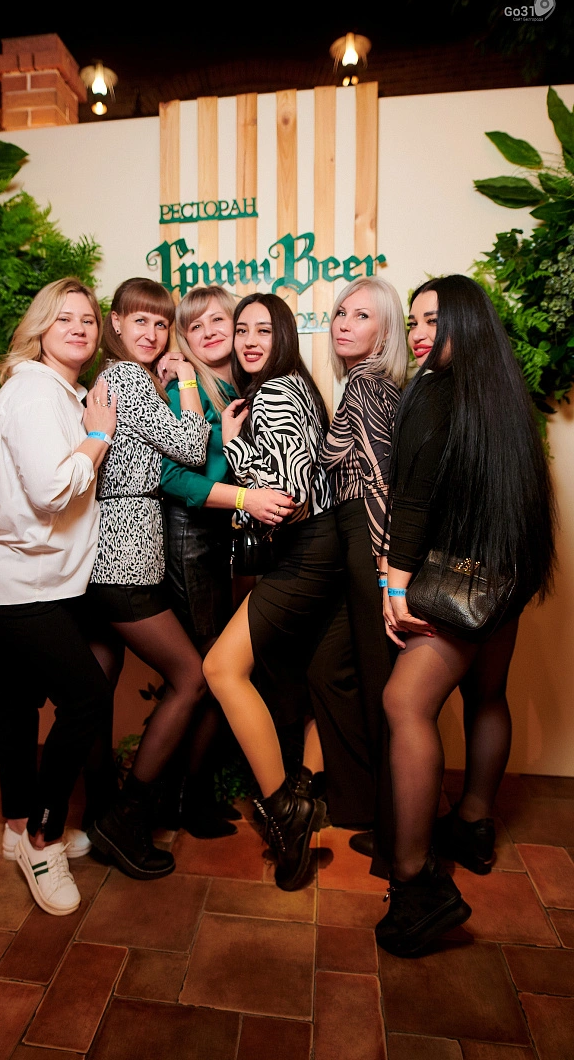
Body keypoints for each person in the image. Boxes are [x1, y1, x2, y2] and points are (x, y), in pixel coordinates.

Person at [375, 274, 556, 956]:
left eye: (434, 320)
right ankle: (475, 825)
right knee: (488, 694)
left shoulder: (433, 391)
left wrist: (395, 586)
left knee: (404, 703)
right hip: (503, 579)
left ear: (466, 324)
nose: (420, 334)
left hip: (455, 583)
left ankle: (415, 883)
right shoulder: (502, 395)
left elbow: (413, 501)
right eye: (415, 321)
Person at [0, 277, 116, 916]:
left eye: (87, 319)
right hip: (17, 579)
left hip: (31, 576)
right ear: (40, 329)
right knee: (87, 697)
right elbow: (52, 491)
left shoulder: (60, 392)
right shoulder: (33, 391)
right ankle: (43, 840)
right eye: (63, 318)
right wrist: (99, 435)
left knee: (19, 701)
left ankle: (17, 825)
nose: (78, 327)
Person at [203, 292, 339, 891]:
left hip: (303, 555)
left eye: (264, 330)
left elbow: (284, 496)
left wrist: (233, 444)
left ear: (283, 336)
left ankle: (284, 810)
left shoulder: (278, 392)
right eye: (243, 330)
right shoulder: (296, 387)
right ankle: (301, 804)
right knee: (300, 679)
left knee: (220, 669)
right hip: (318, 552)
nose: (250, 341)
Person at [86, 277, 213, 880]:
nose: (153, 333)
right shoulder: (131, 379)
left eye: (162, 324)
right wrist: (185, 380)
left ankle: (99, 811)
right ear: (115, 323)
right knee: (190, 678)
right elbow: (190, 447)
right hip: (125, 556)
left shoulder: (110, 378)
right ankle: (126, 818)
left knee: (95, 689)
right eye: (141, 321)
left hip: (104, 551)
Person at [158, 286, 295, 836]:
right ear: (185, 339)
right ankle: (180, 801)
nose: (210, 332)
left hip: (218, 540)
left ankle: (189, 794)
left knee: (218, 670)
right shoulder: (182, 389)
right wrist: (245, 498)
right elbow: (172, 477)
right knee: (209, 671)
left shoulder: (239, 385)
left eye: (220, 320)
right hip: (189, 538)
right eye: (195, 326)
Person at [309, 276, 408, 877]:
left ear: (385, 330)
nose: (344, 323)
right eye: (341, 313)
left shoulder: (369, 386)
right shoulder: (365, 385)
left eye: (362, 315)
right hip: (358, 546)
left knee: (383, 690)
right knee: (329, 669)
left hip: (370, 548)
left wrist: (384, 569)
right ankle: (362, 803)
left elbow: (380, 482)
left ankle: (398, 834)